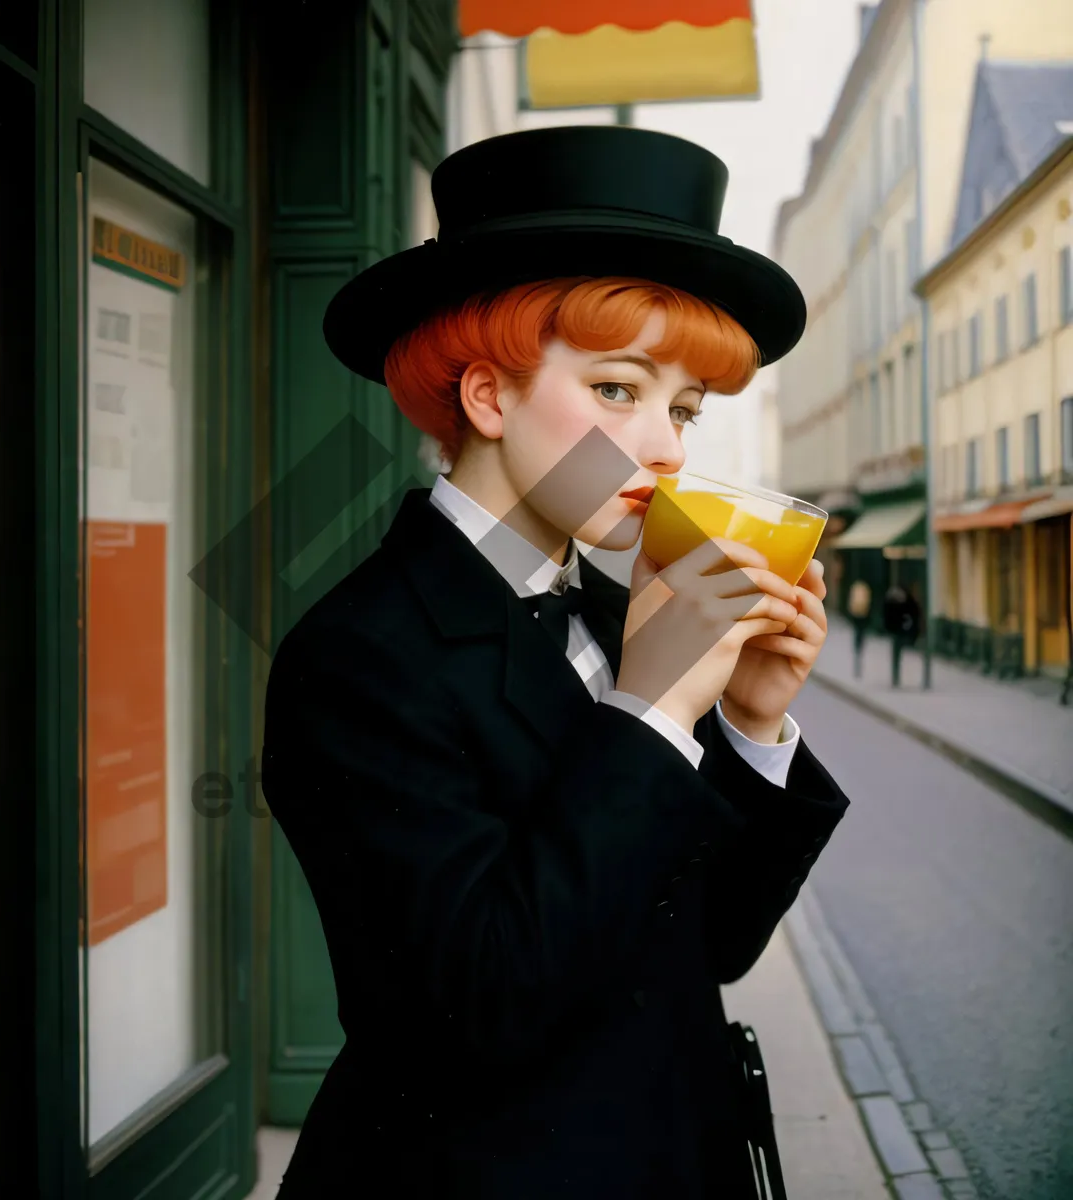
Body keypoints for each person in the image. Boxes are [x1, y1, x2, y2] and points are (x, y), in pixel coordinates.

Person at [261, 126, 850, 1199]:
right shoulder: (353, 655)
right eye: (620, 390)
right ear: (487, 398)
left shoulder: (631, 607)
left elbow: (707, 945)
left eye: (683, 409)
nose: (668, 446)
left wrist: (753, 727)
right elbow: (475, 1005)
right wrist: (653, 710)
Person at [882, 583, 918, 688]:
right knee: (897, 652)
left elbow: (886, 614)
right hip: (901, 629)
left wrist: (888, 627)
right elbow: (913, 613)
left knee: (896, 653)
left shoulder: (891, 598)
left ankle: (895, 676)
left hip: (896, 630)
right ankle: (895, 676)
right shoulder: (907, 599)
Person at [846, 577, 872, 678]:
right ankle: (858, 646)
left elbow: (851, 601)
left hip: (858, 614)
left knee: (858, 633)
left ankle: (858, 647)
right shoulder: (863, 588)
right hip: (861, 614)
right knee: (859, 633)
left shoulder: (856, 587)